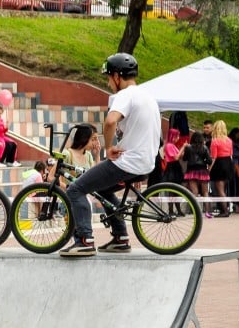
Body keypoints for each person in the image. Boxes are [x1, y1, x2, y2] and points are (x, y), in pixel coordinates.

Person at [60, 53, 160, 257]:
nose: (108, 83)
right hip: (147, 162)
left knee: (75, 189)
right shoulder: (148, 96)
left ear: (117, 76)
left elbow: (110, 121)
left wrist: (108, 148)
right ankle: (121, 238)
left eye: (108, 78)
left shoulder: (125, 95)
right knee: (103, 190)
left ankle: (84, 241)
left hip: (127, 162)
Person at [182, 131, 213, 218]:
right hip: (202, 170)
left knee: (194, 192)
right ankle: (207, 212)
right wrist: (204, 160)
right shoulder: (205, 148)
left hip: (191, 171)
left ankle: (195, 211)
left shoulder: (189, 148)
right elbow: (210, 161)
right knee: (205, 192)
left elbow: (184, 159)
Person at [209, 120, 234, 217]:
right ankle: (225, 208)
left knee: (219, 189)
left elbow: (213, 157)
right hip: (228, 163)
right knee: (224, 188)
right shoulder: (229, 140)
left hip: (219, 164)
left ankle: (225, 210)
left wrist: (209, 169)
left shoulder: (215, 141)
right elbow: (231, 155)